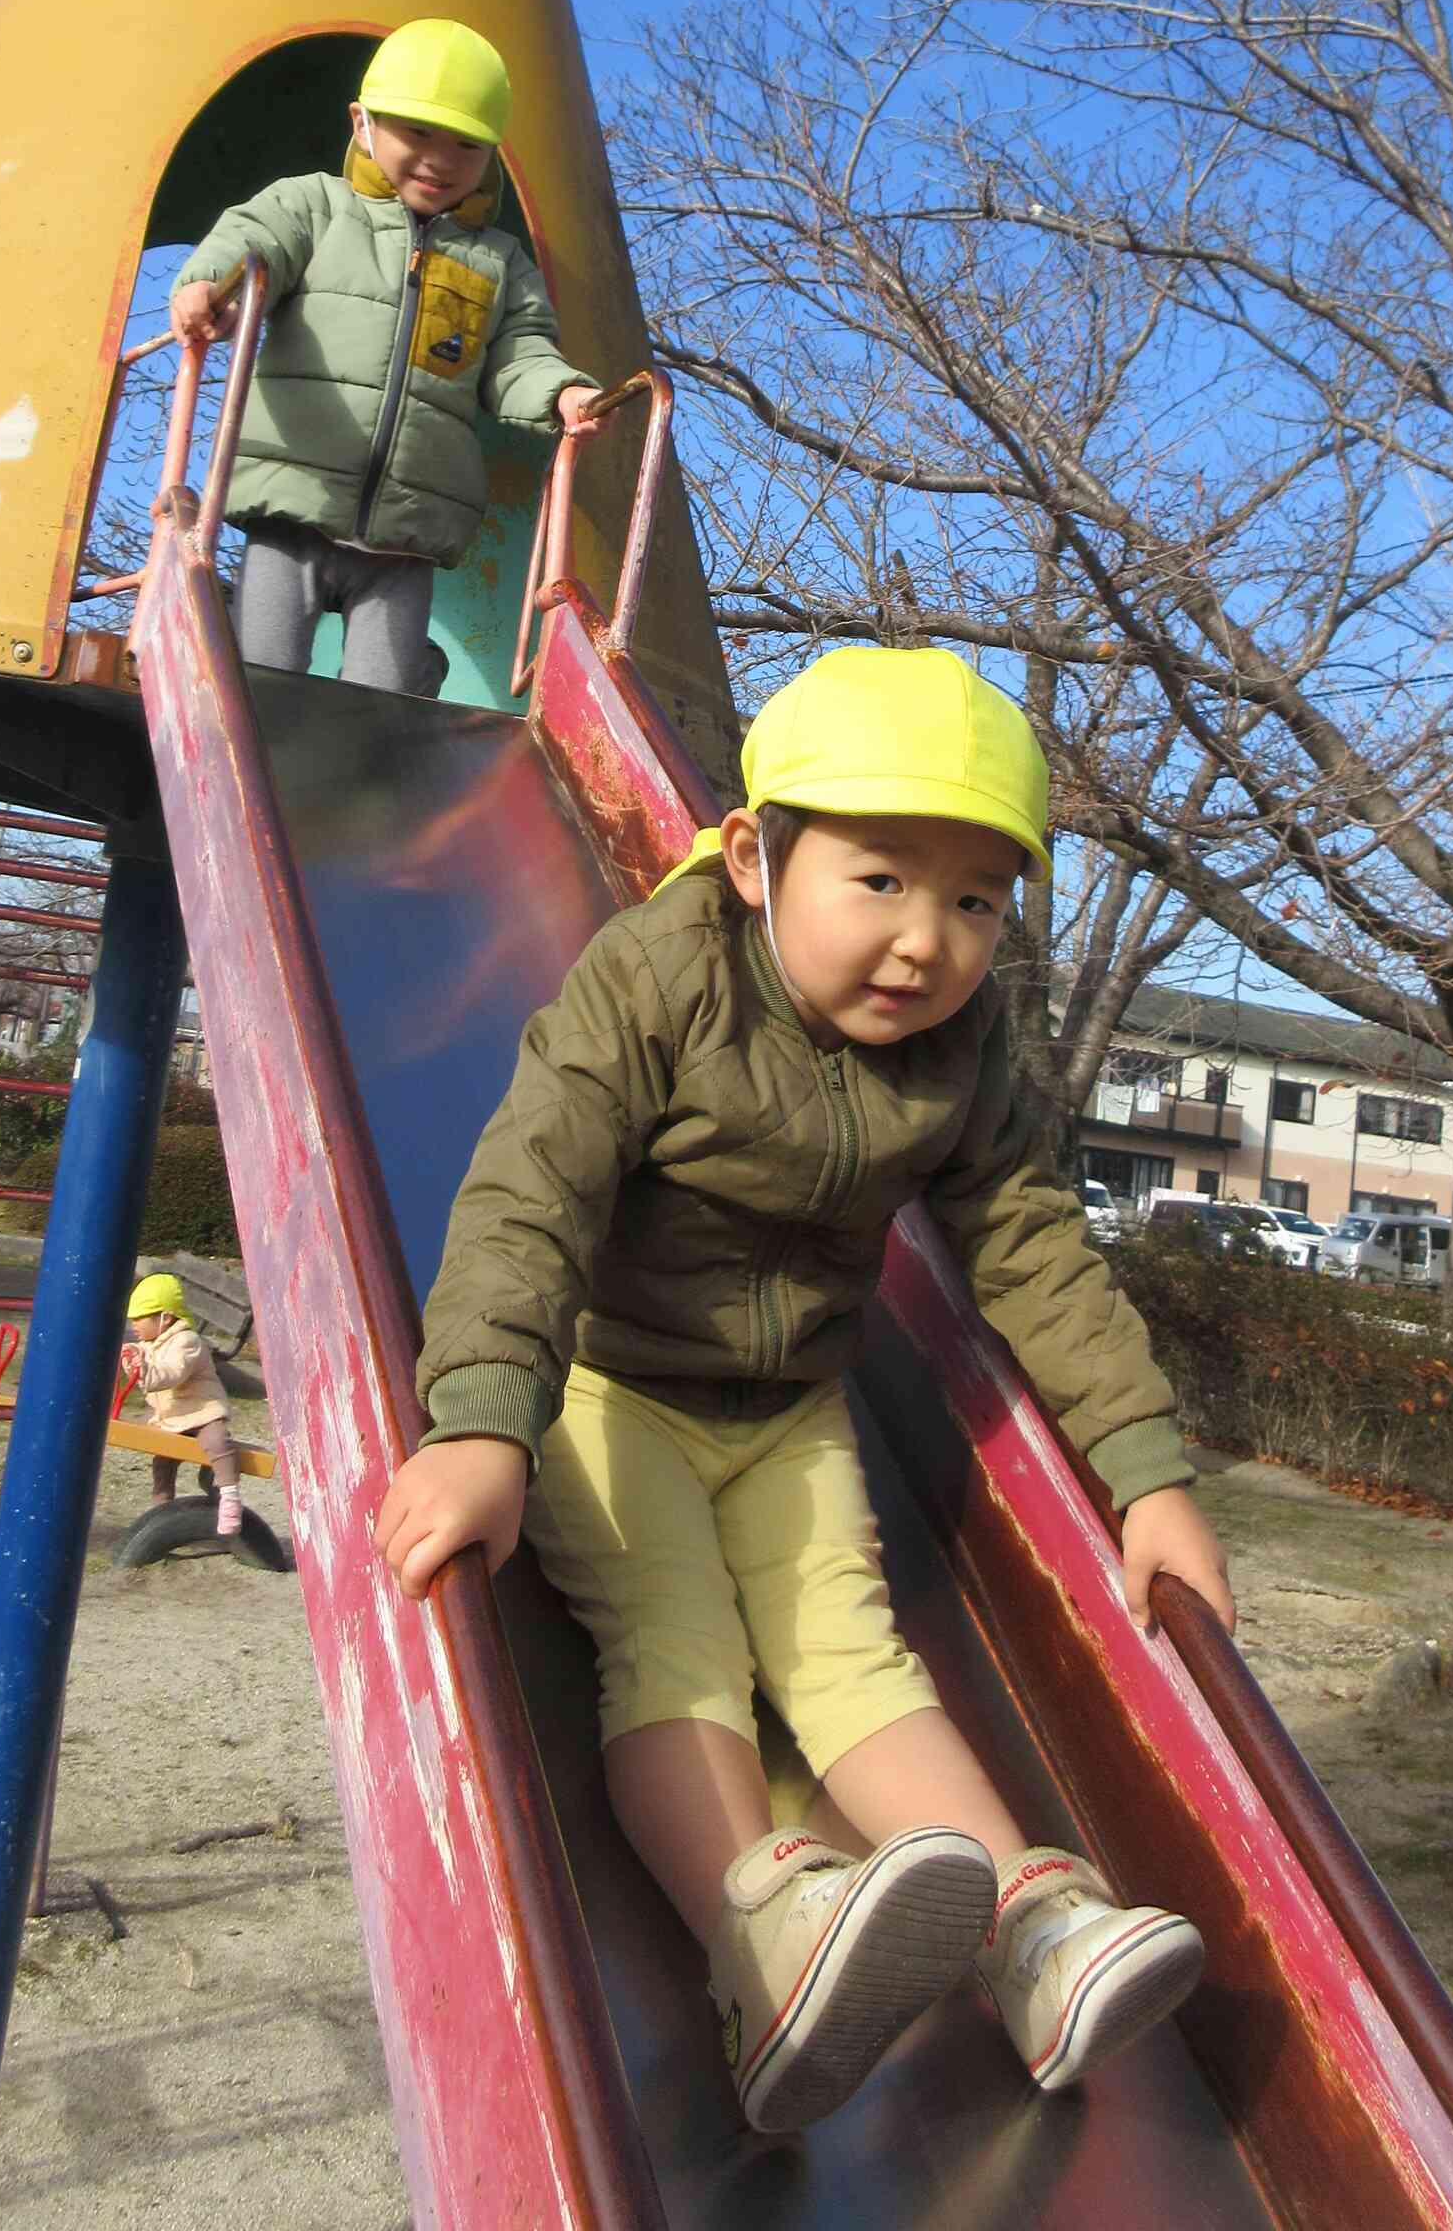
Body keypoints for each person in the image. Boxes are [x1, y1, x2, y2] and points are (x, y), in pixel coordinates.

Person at [372, 647, 1234, 2135]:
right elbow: (532, 1192)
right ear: (755, 857)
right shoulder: (659, 978)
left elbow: (1029, 1242)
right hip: (609, 1385)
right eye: (883, 881)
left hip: (788, 1410)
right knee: (680, 1648)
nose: (926, 943)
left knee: (855, 1663)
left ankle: (1030, 1928)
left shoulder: (963, 1051)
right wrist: (480, 1421)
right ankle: (762, 1939)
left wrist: (1146, 1474)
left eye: (975, 900)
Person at [170, 18, 603, 696]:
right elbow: (256, 240)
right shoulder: (316, 206)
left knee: (385, 700)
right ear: (362, 123)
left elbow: (520, 352)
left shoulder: (496, 262)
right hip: (296, 503)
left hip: (408, 528)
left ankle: (399, 708)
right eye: (417, 133)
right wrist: (211, 284)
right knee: (258, 678)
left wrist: (561, 395)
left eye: (466, 144)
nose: (439, 159)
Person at [121, 1273, 241, 1537]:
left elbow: (172, 1373)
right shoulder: (150, 1344)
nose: (134, 1323)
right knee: (163, 1460)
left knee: (217, 1442)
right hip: (174, 1418)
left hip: (202, 1412)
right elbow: (147, 1373)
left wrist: (147, 1370)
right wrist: (134, 1364)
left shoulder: (187, 1341)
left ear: (164, 1317)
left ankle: (230, 1497)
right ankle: (162, 1511)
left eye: (140, 1317)